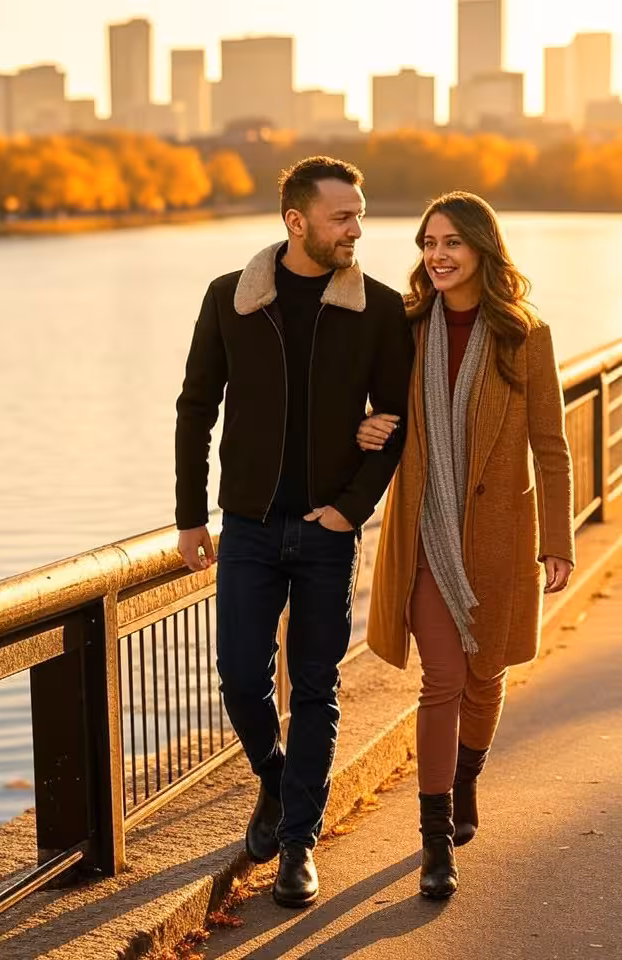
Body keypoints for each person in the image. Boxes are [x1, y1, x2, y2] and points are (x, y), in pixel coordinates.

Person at [175, 156, 414, 907]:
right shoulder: (231, 299)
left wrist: (352, 507)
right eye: (343, 216)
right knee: (242, 678)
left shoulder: (376, 308)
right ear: (296, 221)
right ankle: (277, 787)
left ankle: (298, 846)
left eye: (360, 215)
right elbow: (194, 408)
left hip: (325, 532)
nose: (357, 229)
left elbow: (396, 419)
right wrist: (190, 516)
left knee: (315, 687)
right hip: (245, 525)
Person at [358, 191, 574, 899]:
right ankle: (433, 845)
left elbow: (552, 446)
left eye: (451, 242)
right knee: (442, 681)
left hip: (499, 536)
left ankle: (468, 777)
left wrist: (557, 540)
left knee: (486, 678)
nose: (438, 255)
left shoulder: (523, 335)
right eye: (428, 243)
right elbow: (373, 410)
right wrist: (361, 432)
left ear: (483, 247)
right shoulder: (405, 326)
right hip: (425, 534)